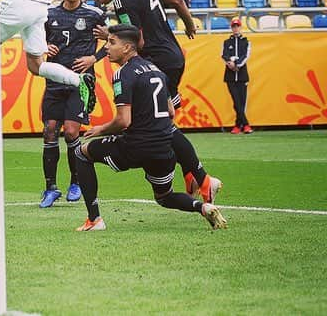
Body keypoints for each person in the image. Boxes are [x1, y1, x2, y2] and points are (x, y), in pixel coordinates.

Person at [80, 0, 223, 203]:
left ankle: (203, 178)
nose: (99, 0)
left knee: (164, 124)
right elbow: (177, 0)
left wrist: (110, 36)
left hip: (155, 60)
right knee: (165, 120)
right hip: (173, 55)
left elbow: (138, 41)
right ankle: (192, 175)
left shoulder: (122, 1)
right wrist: (188, 24)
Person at [72, 24, 227, 231]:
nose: (107, 47)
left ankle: (94, 220)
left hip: (135, 146)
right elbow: (171, 112)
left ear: (127, 48)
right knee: (164, 197)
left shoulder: (122, 74)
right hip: (164, 149)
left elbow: (123, 121)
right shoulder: (157, 70)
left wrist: (100, 129)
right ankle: (203, 207)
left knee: (82, 153)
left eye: (111, 42)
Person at [39, 0, 107, 208]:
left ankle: (75, 182)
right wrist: (45, 45)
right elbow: (35, 41)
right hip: (54, 82)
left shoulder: (95, 14)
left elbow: (116, 40)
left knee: (70, 132)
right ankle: (50, 188)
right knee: (49, 130)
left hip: (81, 82)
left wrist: (93, 58)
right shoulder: (49, 15)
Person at [222, 17, 252, 134]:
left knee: (242, 102)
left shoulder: (246, 41)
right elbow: (223, 54)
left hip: (242, 75)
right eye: (233, 26)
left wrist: (237, 65)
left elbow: (246, 55)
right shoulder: (226, 42)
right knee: (236, 101)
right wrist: (229, 62)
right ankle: (246, 124)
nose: (235, 28)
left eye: (237, 26)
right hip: (229, 76)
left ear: (240, 27)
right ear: (231, 28)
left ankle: (238, 125)